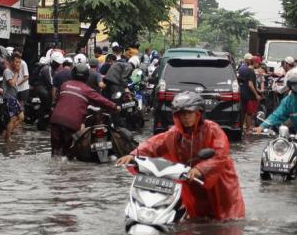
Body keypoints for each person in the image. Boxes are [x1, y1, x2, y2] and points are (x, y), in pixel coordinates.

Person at [117, 92, 245, 220]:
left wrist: (200, 169)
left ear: (198, 113)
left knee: (228, 219)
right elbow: (154, 143)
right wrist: (134, 155)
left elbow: (220, 155)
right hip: (190, 178)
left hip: (219, 180)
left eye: (190, 113)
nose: (186, 117)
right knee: (196, 218)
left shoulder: (213, 129)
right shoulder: (175, 134)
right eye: (182, 114)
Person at [50, 64, 119, 157]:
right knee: (68, 153)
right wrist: (116, 107)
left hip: (56, 120)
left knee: (56, 152)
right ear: (86, 76)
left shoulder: (64, 85)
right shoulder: (87, 90)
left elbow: (56, 99)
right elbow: (103, 101)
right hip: (71, 123)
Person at [2, 53, 25, 142]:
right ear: (11, 62)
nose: (18, 64)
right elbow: (11, 83)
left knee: (21, 117)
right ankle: (8, 138)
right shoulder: (7, 71)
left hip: (14, 98)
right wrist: (16, 73)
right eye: (16, 62)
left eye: (19, 62)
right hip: (9, 98)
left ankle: (6, 132)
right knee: (13, 118)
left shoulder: (14, 72)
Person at [238, 55, 261, 132]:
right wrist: (256, 94)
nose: (259, 65)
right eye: (258, 63)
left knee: (245, 112)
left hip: (244, 93)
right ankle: (248, 129)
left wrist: (258, 90)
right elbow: (250, 84)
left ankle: (244, 128)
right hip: (249, 95)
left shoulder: (245, 69)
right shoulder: (251, 71)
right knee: (249, 113)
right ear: (255, 62)